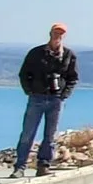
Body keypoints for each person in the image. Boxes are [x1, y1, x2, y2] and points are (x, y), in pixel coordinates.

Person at [11, 23, 77, 176]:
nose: (58, 35)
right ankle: (20, 167)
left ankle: (43, 166)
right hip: (37, 98)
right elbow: (23, 74)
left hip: (56, 100)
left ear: (64, 36)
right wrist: (29, 91)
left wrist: (64, 94)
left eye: (61, 33)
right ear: (50, 33)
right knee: (28, 133)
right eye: (56, 32)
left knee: (50, 135)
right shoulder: (36, 53)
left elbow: (73, 77)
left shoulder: (68, 55)